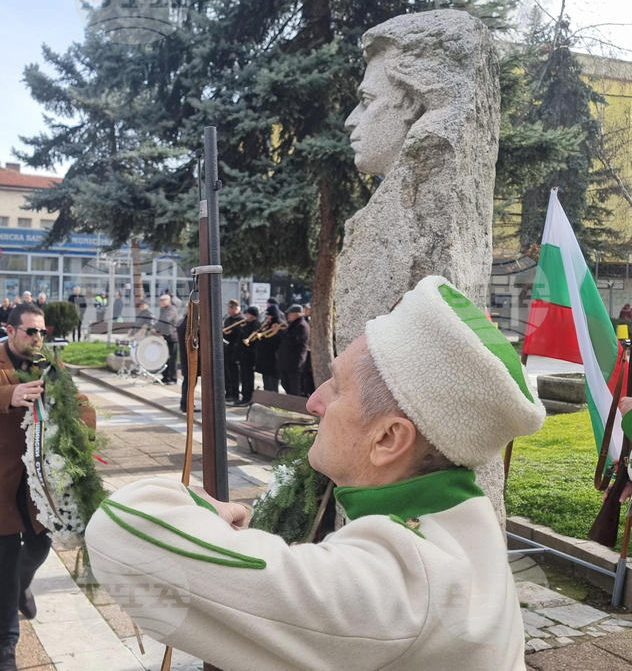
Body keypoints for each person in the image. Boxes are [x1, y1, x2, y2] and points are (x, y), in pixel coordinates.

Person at [85, 275, 546, 671]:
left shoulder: (403, 582)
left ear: (388, 439)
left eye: (338, 386)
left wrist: (207, 511)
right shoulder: (465, 520)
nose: (314, 401)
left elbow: (123, 528)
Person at [0, 302, 97, 670]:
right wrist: (10, 395)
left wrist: (83, 431)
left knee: (40, 543)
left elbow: (78, 402)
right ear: (10, 330)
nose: (37, 338)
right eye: (31, 331)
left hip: (41, 481)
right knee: (1, 558)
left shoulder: (49, 365)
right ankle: (6, 643)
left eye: (42, 331)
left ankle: (20, 585)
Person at [279, 304, 310, 396]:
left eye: (290, 314)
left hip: (295, 361)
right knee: (285, 383)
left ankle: (295, 405)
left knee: (294, 386)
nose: (288, 316)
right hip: (287, 360)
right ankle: (290, 403)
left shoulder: (302, 326)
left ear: (297, 314)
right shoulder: (293, 324)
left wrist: (280, 332)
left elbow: (294, 341)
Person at [255, 303, 284, 392]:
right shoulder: (266, 324)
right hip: (264, 357)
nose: (267, 317)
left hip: (273, 357)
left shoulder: (279, 325)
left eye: (269, 315)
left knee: (273, 382)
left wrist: (271, 334)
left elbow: (278, 341)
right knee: (266, 381)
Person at [235, 306, 260, 405]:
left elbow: (252, 340)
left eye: (248, 314)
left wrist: (241, 331)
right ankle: (244, 395)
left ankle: (248, 397)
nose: (246, 316)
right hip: (243, 354)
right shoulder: (247, 324)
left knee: (248, 377)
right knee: (243, 376)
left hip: (250, 355)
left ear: (253, 315)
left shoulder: (256, 325)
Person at [222, 299, 244, 402]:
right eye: (229, 308)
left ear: (237, 308)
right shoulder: (228, 319)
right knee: (227, 373)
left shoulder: (241, 319)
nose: (229, 310)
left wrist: (234, 330)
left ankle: (235, 394)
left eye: (231, 308)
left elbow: (240, 334)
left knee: (235, 374)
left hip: (236, 350)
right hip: (227, 349)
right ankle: (228, 392)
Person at [156, 293, 179, 384]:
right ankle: (165, 377)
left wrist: (156, 328)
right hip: (164, 336)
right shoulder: (163, 310)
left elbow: (165, 320)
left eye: (163, 300)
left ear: (168, 301)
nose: (161, 302)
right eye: (160, 300)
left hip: (172, 337)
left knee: (172, 359)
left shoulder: (171, 309)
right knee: (164, 357)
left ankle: (173, 378)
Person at [300, 303, 316, 396]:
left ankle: (310, 391)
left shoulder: (312, 320)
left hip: (312, 350)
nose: (305, 311)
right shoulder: (304, 320)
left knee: (310, 373)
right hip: (306, 350)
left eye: (307, 309)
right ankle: (304, 391)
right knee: (304, 373)